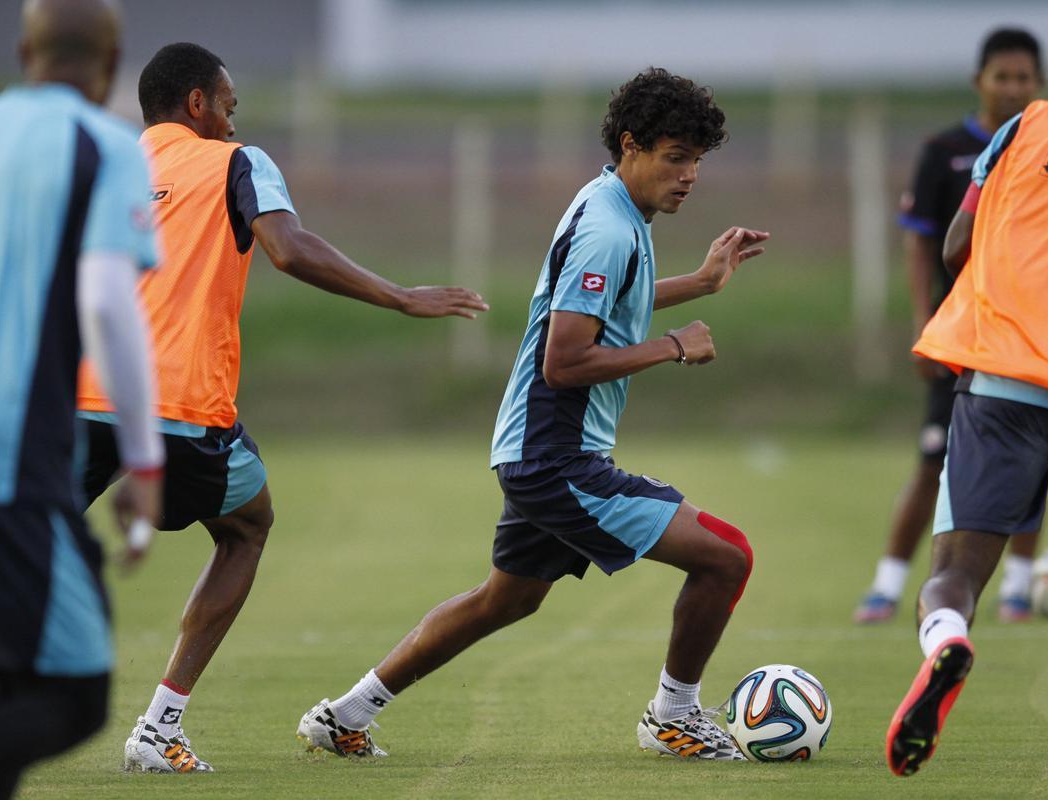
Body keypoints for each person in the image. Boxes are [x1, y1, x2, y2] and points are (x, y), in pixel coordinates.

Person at [297, 67, 767, 761]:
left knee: (506, 600)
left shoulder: (611, 206)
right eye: (676, 157)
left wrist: (700, 283)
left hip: (538, 452)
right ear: (630, 144)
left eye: (697, 160)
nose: (690, 175)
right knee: (727, 556)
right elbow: (564, 362)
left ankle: (343, 715)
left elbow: (605, 307)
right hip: (557, 458)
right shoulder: (608, 228)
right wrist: (673, 346)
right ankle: (673, 716)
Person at [73, 42, 490, 774]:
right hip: (175, 402)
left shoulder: (109, 164)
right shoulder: (237, 162)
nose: (235, 122)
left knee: (7, 547)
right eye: (229, 106)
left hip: (81, 393)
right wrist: (400, 295)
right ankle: (159, 726)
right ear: (198, 103)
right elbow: (288, 249)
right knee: (247, 527)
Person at [885, 3, 1048, 794]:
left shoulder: (1032, 122)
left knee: (959, 564)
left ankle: (948, 639)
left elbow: (957, 244)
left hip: (1002, 374)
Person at [0, 0, 164, 797]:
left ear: (22, 52)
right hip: (7, 452)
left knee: (18, 674)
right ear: (111, 66)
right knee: (68, 694)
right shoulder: (105, 144)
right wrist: (144, 460)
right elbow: (109, 300)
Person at [854, 28, 1046, 625]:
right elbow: (920, 244)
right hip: (963, 331)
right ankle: (887, 585)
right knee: (933, 456)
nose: (1013, 88)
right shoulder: (945, 150)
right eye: (1003, 77)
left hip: (1032, 332)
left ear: (1039, 84)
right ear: (979, 81)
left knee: (1033, 458)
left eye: (1024, 78)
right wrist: (922, 320)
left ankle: (1019, 587)